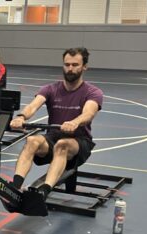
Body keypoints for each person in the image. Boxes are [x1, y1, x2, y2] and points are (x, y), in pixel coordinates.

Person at [7, 47, 103, 209]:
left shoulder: (93, 92)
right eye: (67, 65)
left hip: (79, 142)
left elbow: (89, 113)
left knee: (62, 145)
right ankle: (15, 188)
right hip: (53, 138)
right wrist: (21, 117)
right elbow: (33, 106)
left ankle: (43, 192)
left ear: (84, 67)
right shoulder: (50, 89)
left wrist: (76, 122)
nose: (70, 69)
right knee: (32, 140)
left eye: (75, 65)